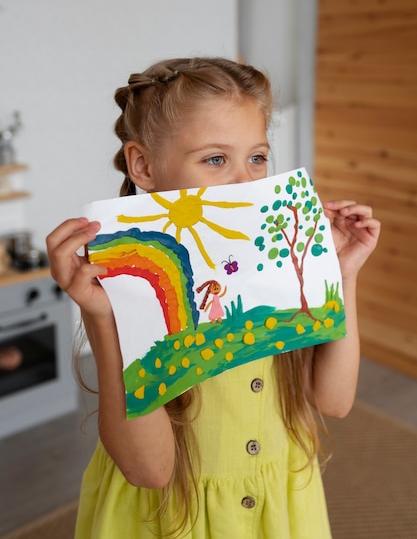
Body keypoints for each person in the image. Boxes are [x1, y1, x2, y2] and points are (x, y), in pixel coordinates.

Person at [46, 57, 380, 538]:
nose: (248, 182)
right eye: (216, 160)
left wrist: (342, 275)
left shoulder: (283, 270)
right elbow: (151, 471)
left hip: (278, 508)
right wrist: (102, 319)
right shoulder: (129, 289)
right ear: (143, 165)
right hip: (170, 517)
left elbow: (334, 401)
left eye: (258, 157)